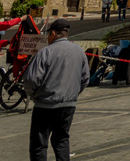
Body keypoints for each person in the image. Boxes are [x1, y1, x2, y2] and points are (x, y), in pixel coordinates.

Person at [22, 18, 90, 161]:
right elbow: (85, 79)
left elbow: (31, 79)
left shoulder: (45, 52)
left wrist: (33, 95)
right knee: (61, 140)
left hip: (45, 104)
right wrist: (72, 93)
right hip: (68, 105)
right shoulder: (79, 51)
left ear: (53, 33)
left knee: (39, 144)